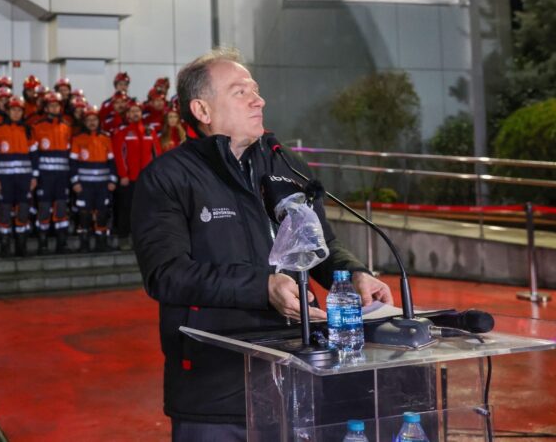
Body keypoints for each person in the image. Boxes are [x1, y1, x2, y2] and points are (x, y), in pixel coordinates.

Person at [131, 47, 392, 439]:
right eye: (240, 92)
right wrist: (263, 287)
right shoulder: (167, 178)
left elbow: (320, 245)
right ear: (202, 110)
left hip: (296, 372)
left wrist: (354, 274)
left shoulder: (284, 166)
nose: (259, 100)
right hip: (215, 389)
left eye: (255, 89)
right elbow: (167, 275)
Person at [0, 97, 37, 257]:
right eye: (13, 110)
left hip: (24, 179)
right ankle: (5, 245)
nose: (16, 113)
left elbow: (34, 156)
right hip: (4, 179)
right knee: (4, 211)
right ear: (8, 111)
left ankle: (21, 245)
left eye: (19, 110)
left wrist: (34, 176)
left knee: (23, 210)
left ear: (23, 112)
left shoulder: (28, 130)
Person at [112, 100, 159, 248]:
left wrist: (156, 175)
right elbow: (119, 156)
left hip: (147, 179)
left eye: (137, 111)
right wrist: (123, 175)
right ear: (127, 115)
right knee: (127, 209)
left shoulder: (150, 132)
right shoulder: (122, 132)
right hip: (129, 179)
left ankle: (143, 239)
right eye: (132, 111)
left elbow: (157, 154)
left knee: (146, 210)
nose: (135, 113)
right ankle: (123, 238)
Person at [69, 106, 117, 252]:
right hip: (84, 185)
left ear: (98, 121)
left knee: (102, 213)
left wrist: (113, 180)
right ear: (84, 122)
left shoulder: (106, 138)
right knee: (84, 213)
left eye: (94, 119)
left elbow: (112, 162)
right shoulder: (78, 138)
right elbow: (73, 163)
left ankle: (101, 243)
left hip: (103, 185)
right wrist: (75, 182)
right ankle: (84, 244)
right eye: (88, 120)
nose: (92, 122)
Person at [32, 91, 73, 254]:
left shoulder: (66, 127)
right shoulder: (37, 127)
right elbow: (34, 155)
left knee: (61, 208)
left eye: (57, 105)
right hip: (45, 176)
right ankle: (42, 243)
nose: (54, 108)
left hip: (62, 177)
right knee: (44, 208)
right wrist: (36, 176)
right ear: (46, 107)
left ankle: (61, 243)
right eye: (51, 105)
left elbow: (70, 154)